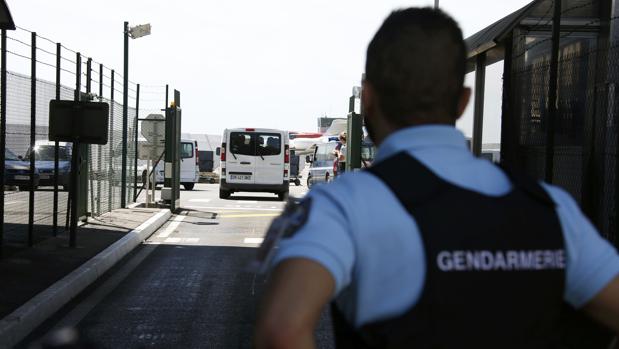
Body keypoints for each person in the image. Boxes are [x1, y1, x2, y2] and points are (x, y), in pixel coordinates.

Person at [254, 7, 619, 349]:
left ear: (367, 99)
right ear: (462, 102)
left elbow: (282, 330)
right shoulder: (552, 208)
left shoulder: (344, 205)